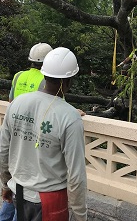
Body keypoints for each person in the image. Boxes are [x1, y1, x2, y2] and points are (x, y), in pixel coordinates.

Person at [0, 47, 87, 221]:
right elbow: (76, 177)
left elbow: (3, 151)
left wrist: (5, 184)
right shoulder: (70, 117)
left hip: (19, 192)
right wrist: (80, 216)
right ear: (68, 80)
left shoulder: (16, 104)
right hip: (50, 200)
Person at [0, 43, 53, 221]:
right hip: (32, 141)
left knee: (11, 190)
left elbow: (10, 101)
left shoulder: (18, 76)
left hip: (15, 134)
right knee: (22, 197)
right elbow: (55, 110)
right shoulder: (47, 81)